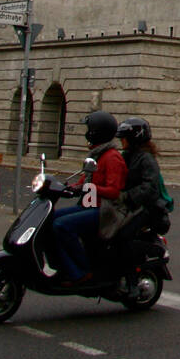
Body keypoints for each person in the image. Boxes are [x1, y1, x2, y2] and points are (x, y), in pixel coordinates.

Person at [53, 110, 127, 285]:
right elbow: (84, 179)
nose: (86, 133)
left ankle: (80, 271)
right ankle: (62, 266)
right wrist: (66, 187)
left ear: (97, 132)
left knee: (61, 226)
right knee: (50, 220)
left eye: (89, 129)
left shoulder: (112, 158)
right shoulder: (96, 155)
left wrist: (90, 187)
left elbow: (113, 191)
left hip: (105, 210)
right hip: (90, 205)